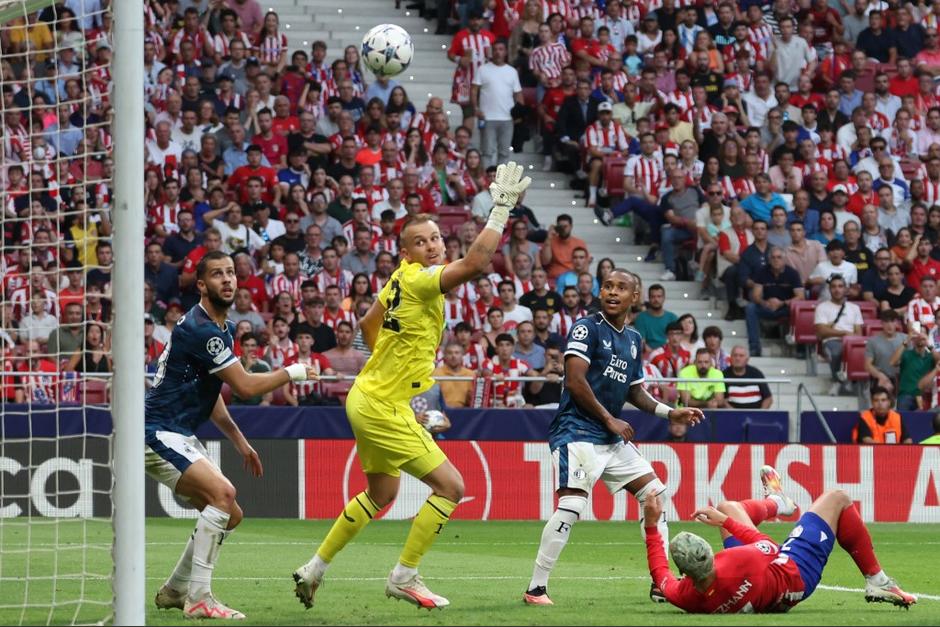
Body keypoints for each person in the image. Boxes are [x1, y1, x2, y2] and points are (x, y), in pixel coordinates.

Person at [292, 162, 532, 609]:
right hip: (381, 404)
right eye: (420, 242)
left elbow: (368, 323)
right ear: (406, 252)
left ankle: (314, 569)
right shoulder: (421, 280)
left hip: (373, 397)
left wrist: (385, 365)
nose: (431, 246)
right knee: (452, 488)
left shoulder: (398, 280)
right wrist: (500, 211)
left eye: (435, 238)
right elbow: (478, 262)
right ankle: (405, 576)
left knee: (381, 494)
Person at [147, 251, 318, 620]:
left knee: (230, 513)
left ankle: (176, 590)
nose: (227, 279)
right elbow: (243, 385)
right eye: (217, 274)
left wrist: (239, 441)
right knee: (223, 495)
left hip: (175, 431)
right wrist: (293, 371)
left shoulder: (220, 329)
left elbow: (212, 398)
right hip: (156, 431)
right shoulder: (201, 329)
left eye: (231, 273)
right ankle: (200, 598)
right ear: (202, 285)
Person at [523, 269, 704, 606]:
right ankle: (536, 588)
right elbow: (574, 381)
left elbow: (636, 392)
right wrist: (610, 419)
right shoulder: (586, 327)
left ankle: (660, 580)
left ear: (634, 297)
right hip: (575, 431)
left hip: (608, 436)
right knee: (573, 505)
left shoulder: (634, 340)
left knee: (654, 495)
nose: (612, 292)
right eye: (607, 286)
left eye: (621, 288)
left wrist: (670, 412)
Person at [643, 466, 917, 613]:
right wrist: (724, 523)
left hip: (763, 593)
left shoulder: (684, 595)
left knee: (728, 505)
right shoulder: (737, 561)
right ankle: (878, 582)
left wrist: (653, 525)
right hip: (794, 573)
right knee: (838, 499)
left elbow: (660, 573)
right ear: (712, 558)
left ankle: (776, 501)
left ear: (684, 574)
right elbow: (772, 548)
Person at [814, 275, 864, 396]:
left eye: (840, 286)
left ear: (846, 289)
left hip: (852, 341)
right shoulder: (822, 307)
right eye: (834, 287)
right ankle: (837, 381)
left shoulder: (855, 308)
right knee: (837, 351)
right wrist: (844, 333)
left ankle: (855, 382)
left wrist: (851, 339)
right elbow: (821, 331)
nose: (837, 290)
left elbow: (859, 332)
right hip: (831, 341)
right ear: (829, 289)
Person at [633, 284, 678, 351]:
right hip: (647, 356)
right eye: (653, 296)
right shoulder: (641, 318)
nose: (656, 299)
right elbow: (641, 342)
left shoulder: (673, 318)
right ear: (649, 298)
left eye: (659, 296)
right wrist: (655, 355)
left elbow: (676, 340)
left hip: (669, 353)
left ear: (664, 298)